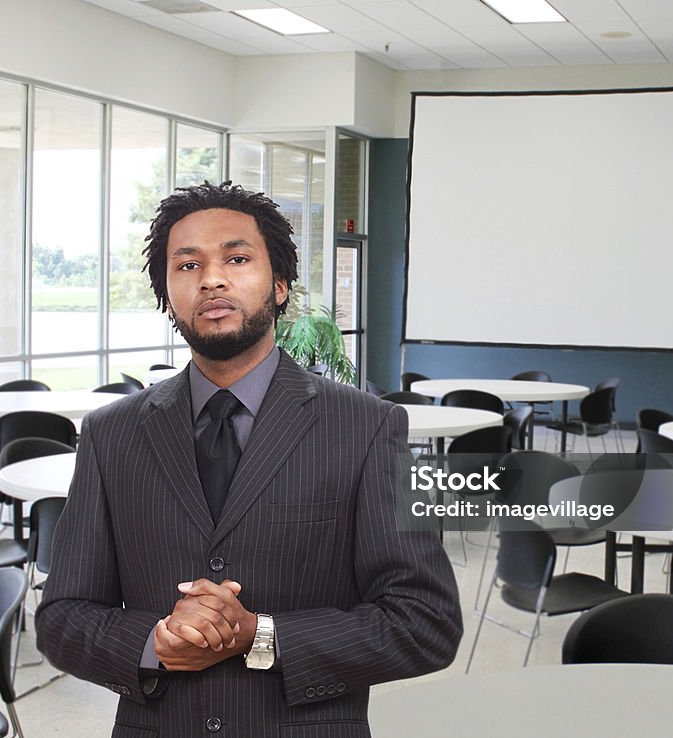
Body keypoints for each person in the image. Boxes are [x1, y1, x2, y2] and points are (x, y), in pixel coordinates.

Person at [36, 181, 462, 737]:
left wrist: (261, 635)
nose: (212, 278)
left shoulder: (364, 426)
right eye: (187, 266)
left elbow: (425, 622)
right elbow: (63, 617)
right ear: (167, 295)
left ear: (280, 285)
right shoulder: (110, 433)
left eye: (236, 259)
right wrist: (153, 643)